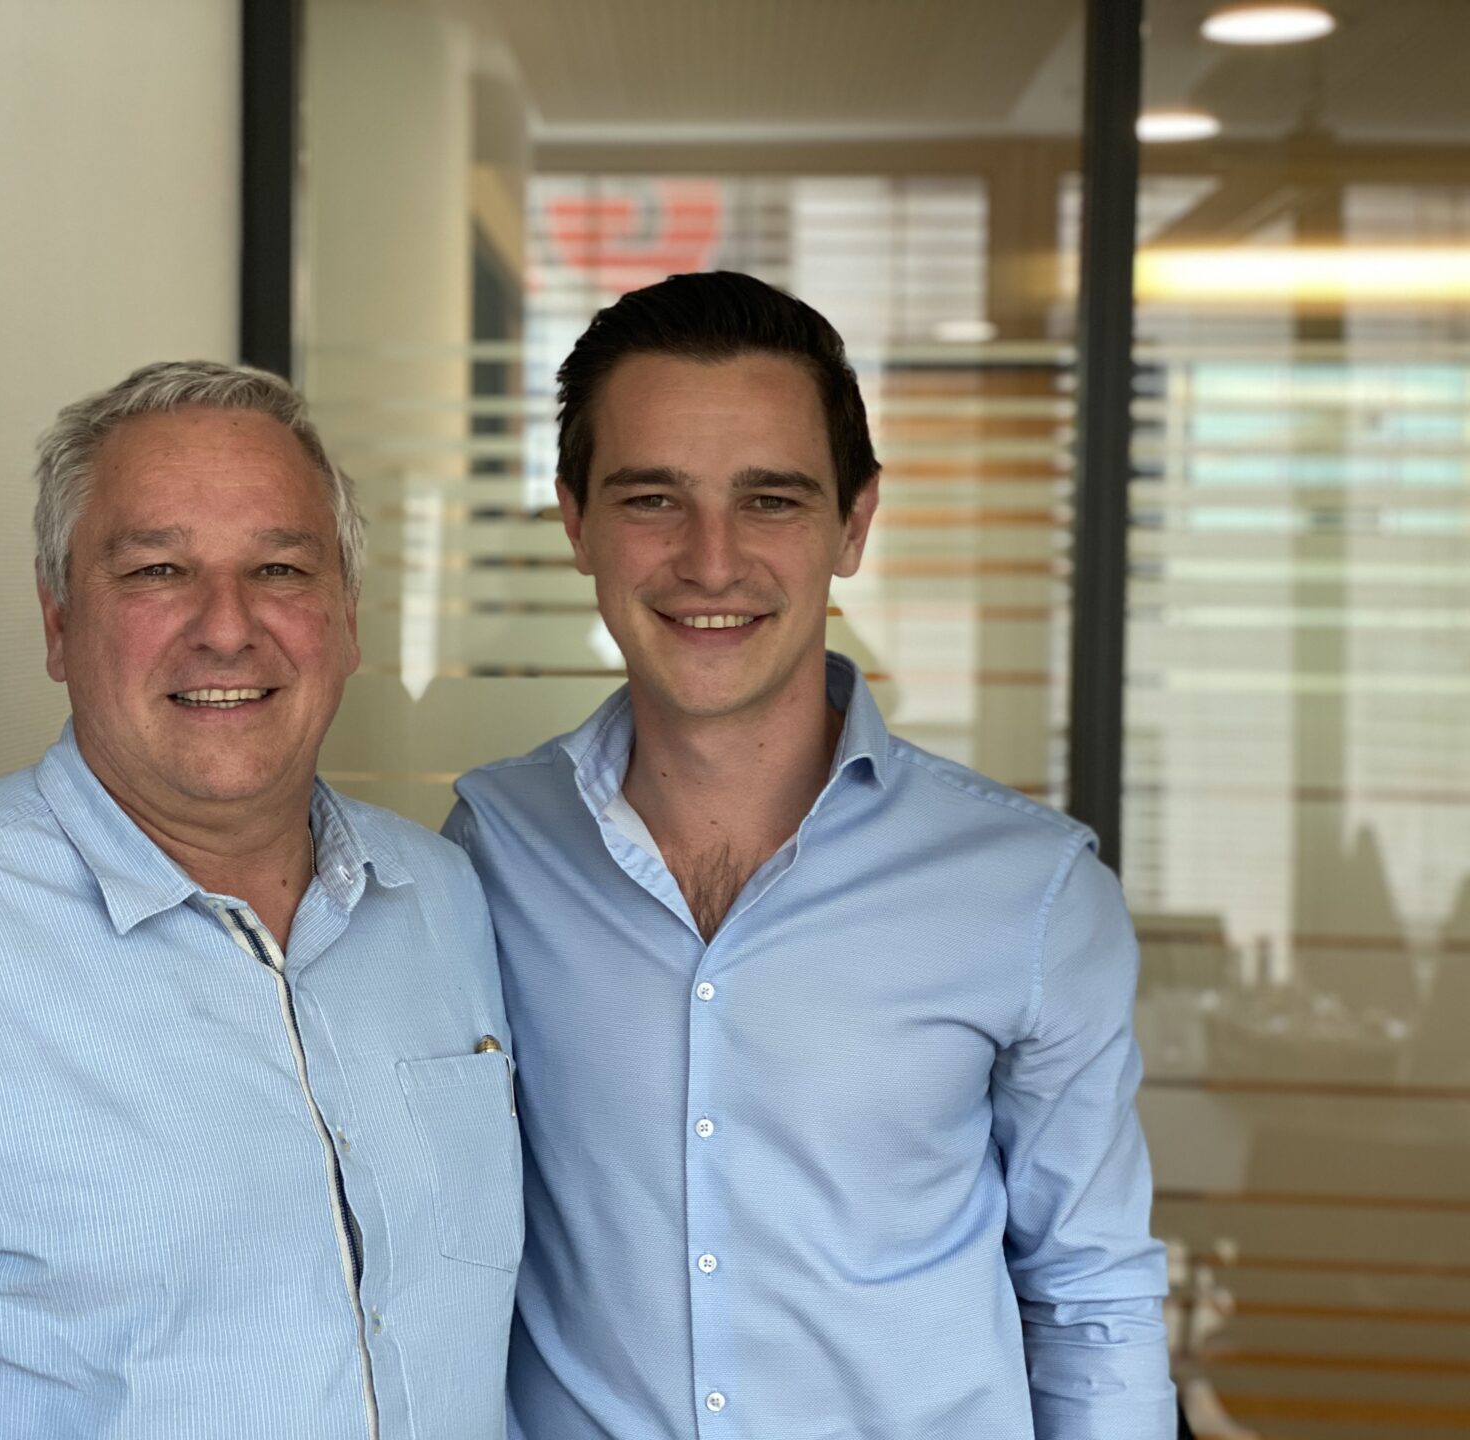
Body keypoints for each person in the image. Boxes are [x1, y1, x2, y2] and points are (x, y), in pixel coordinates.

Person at [0, 362, 520, 1440]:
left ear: (346, 620)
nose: (226, 627)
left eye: (281, 568)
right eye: (159, 569)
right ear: (59, 621)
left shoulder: (443, 900)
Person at [446, 272, 1175, 1439]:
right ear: (575, 522)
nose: (712, 560)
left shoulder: (1030, 895)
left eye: (771, 500)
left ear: (855, 523)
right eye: (652, 499)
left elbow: (1092, 1300)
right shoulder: (485, 851)